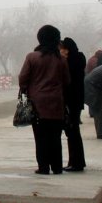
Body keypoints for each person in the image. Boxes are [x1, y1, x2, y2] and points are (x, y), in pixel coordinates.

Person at [19, 25, 70, 175]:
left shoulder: (32, 57)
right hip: (56, 103)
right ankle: (57, 166)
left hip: (37, 103)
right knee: (55, 136)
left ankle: (43, 167)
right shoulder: (61, 59)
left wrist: (28, 90)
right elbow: (67, 80)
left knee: (40, 137)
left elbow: (23, 78)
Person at [60, 37, 87, 171]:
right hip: (77, 101)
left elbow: (67, 83)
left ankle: (75, 163)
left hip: (71, 100)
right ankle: (77, 161)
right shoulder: (79, 59)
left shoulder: (70, 63)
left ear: (67, 49)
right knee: (74, 132)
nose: (61, 52)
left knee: (72, 132)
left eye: (62, 50)